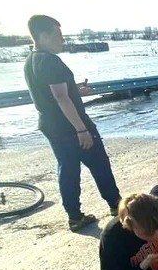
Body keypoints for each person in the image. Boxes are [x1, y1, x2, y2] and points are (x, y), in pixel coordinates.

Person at [23, 15, 121, 231]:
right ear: (43, 35)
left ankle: (74, 216)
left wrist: (75, 89)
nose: (62, 40)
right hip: (71, 128)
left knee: (67, 170)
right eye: (58, 35)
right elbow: (60, 97)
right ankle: (117, 206)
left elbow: (52, 92)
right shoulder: (50, 61)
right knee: (99, 164)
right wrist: (81, 129)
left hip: (51, 126)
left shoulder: (31, 60)